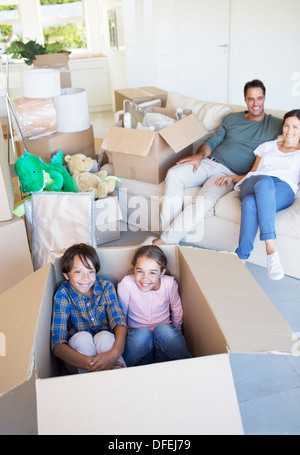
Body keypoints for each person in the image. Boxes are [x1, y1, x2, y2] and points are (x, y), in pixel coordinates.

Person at [152, 79, 283, 246]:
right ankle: (166, 232)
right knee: (174, 174)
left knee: (205, 201)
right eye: (251, 99)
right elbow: (212, 142)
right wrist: (199, 155)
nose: (255, 103)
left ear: (264, 98)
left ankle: (165, 240)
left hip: (227, 175)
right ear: (245, 100)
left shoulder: (276, 124)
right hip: (207, 162)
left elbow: (295, 126)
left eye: (259, 98)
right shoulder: (232, 119)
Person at [215, 109, 300, 280]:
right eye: (286, 125)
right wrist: (233, 178)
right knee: (264, 182)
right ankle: (271, 248)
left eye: (296, 127)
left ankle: (241, 259)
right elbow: (252, 173)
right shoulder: (267, 146)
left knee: (250, 203)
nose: (289, 131)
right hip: (255, 182)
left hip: (284, 189)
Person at [51, 243, 127, 374]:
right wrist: (91, 364)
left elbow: (118, 320)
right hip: (80, 357)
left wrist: (114, 354)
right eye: (78, 272)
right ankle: (91, 384)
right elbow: (57, 342)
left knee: (104, 336)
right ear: (66, 275)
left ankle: (120, 380)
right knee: (81, 338)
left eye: (90, 272)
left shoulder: (105, 286)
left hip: (107, 349)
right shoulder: (63, 294)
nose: (85, 278)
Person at [117, 245, 191, 366]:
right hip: (138, 343)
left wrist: (175, 334)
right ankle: (121, 369)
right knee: (142, 334)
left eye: (152, 273)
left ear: (162, 272)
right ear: (133, 268)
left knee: (164, 330)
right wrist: (122, 340)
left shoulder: (169, 284)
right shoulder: (127, 284)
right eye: (140, 271)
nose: (145, 279)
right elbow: (121, 315)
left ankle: (189, 364)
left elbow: (177, 310)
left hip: (163, 344)